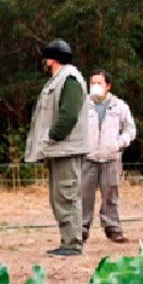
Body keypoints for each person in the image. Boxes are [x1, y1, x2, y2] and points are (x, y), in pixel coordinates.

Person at [24, 39, 89, 257]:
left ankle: (72, 244)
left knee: (66, 195)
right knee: (60, 197)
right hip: (58, 149)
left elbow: (69, 114)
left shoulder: (69, 78)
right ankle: (67, 241)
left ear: (52, 59)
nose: (44, 63)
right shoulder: (58, 79)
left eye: (46, 59)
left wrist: (53, 136)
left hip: (66, 149)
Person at [82, 70, 136, 244]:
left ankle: (113, 229)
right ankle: (81, 229)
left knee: (111, 195)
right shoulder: (82, 105)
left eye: (99, 83)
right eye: (93, 83)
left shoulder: (120, 106)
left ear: (108, 86)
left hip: (111, 158)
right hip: (87, 158)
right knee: (83, 195)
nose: (95, 86)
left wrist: (119, 143)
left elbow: (130, 129)